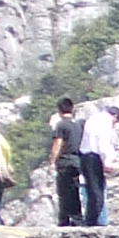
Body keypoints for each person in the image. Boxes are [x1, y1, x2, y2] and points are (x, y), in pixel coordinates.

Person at [79, 101, 119, 225]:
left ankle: (90, 219)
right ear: (114, 116)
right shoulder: (105, 122)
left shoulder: (93, 119)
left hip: (85, 157)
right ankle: (93, 221)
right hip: (94, 157)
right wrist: (107, 161)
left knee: (92, 190)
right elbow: (103, 144)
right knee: (97, 191)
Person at [46, 96, 85, 227]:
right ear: (72, 109)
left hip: (65, 161)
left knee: (64, 191)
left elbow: (58, 143)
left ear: (59, 111)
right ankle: (77, 218)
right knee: (74, 190)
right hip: (77, 160)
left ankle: (65, 219)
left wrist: (52, 160)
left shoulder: (61, 125)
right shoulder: (77, 125)